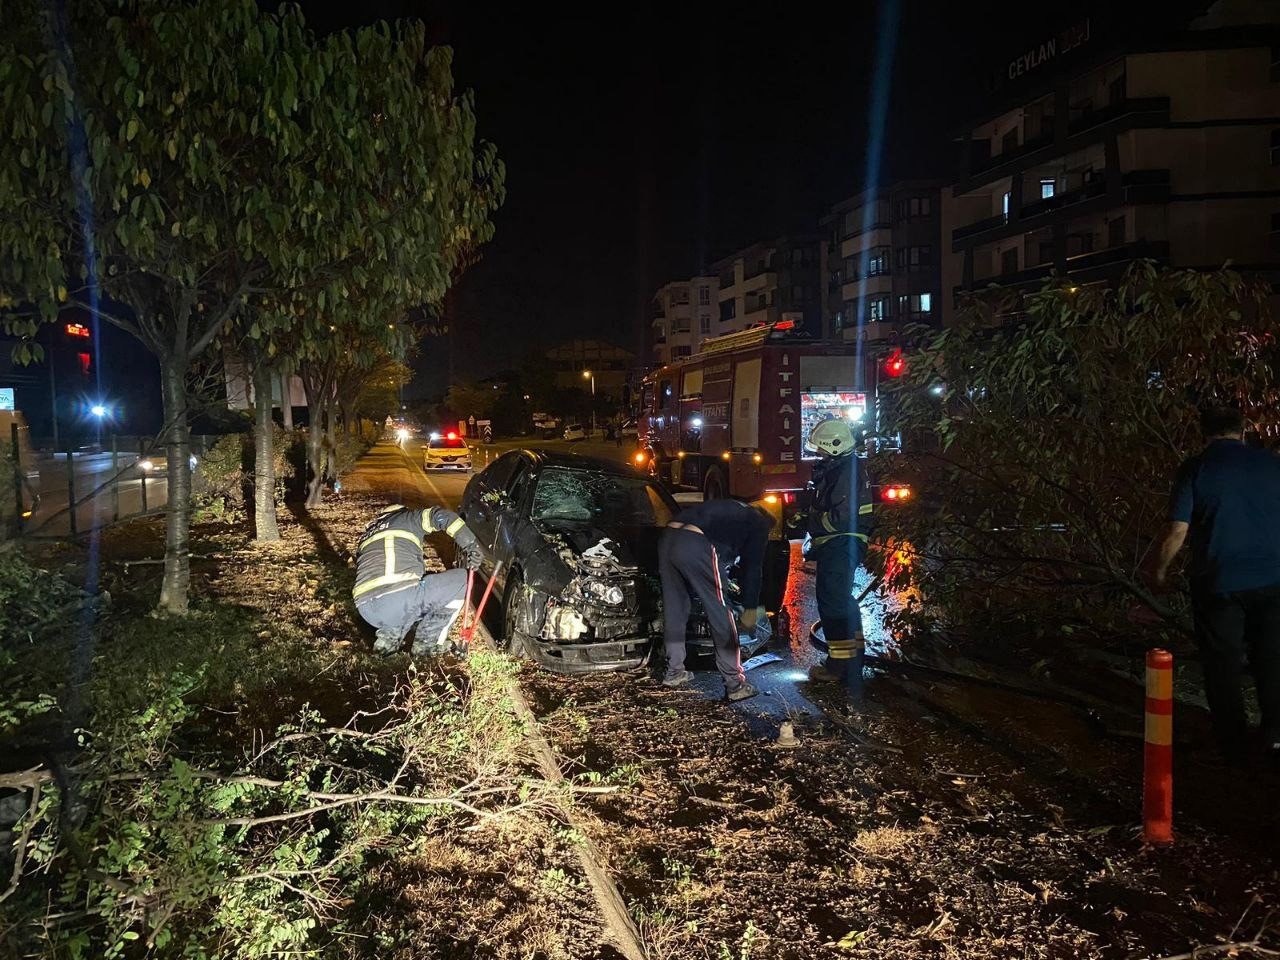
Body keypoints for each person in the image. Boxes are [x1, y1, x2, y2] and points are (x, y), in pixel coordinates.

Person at [1147, 405, 1280, 762]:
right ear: (1244, 428)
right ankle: (1273, 734)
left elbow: (1177, 531)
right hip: (1273, 578)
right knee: (1271, 658)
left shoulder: (1196, 468)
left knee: (1223, 664)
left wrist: (1159, 571)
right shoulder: (1271, 464)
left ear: (1202, 431)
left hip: (1219, 581)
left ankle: (1233, 743)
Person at [659, 497, 773, 701]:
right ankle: (735, 684)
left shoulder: (733, 508)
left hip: (668, 537)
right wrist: (750, 609)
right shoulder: (760, 523)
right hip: (696, 541)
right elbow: (753, 570)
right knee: (721, 610)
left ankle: (674, 672)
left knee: (675, 608)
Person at [353, 504, 484, 656]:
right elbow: (442, 516)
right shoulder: (408, 518)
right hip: (399, 600)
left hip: (366, 610)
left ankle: (387, 644)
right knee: (462, 580)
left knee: (407, 591)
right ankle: (427, 645)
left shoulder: (366, 536)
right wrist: (471, 545)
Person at [802, 418, 874, 688]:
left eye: (820, 449)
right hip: (839, 542)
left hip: (841, 541)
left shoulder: (846, 471)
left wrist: (813, 522)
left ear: (834, 446)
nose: (817, 454)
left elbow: (840, 516)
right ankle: (852, 661)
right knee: (841, 601)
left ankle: (839, 665)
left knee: (833, 603)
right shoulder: (841, 468)